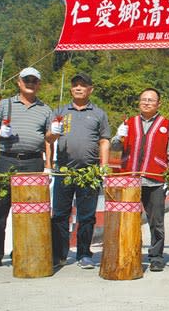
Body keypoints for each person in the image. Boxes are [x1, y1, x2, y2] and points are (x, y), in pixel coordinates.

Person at [0, 67, 57, 271]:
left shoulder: (45, 109)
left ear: (39, 84)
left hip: (33, 162)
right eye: (27, 80)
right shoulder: (5, 105)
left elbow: (48, 140)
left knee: (30, 211)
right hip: (8, 161)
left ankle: (23, 251)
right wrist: (0, 133)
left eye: (34, 80)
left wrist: (48, 165)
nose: (30, 83)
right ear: (19, 82)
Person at [111, 88, 169, 272]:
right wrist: (118, 136)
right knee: (126, 219)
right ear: (139, 102)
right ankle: (127, 252)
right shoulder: (129, 123)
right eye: (144, 99)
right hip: (130, 180)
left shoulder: (166, 124)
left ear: (158, 104)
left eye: (151, 100)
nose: (147, 103)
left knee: (156, 221)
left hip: (155, 180)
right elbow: (115, 147)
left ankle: (156, 256)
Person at [50, 73, 111, 270]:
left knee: (86, 215)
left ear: (90, 90)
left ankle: (84, 253)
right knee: (60, 214)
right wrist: (53, 134)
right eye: (75, 85)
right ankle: (59, 254)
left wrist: (104, 166)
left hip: (89, 172)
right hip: (63, 172)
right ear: (70, 89)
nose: (78, 88)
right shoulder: (59, 112)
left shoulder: (99, 114)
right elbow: (48, 139)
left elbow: (104, 141)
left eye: (83, 85)